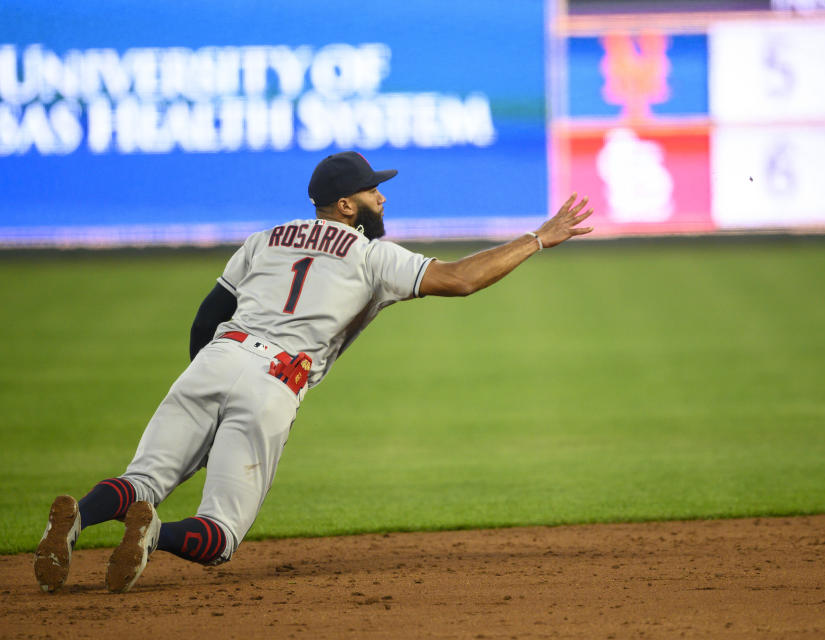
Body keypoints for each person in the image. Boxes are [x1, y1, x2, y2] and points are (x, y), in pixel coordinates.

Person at [33, 151, 593, 594]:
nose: (382, 196)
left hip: (214, 359)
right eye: (374, 189)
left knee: (143, 479)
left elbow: (208, 316)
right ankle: (153, 531)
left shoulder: (265, 239)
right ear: (347, 206)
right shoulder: (374, 255)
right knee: (220, 536)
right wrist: (538, 238)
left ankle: (77, 519)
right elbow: (460, 278)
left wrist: (207, 389)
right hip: (275, 379)